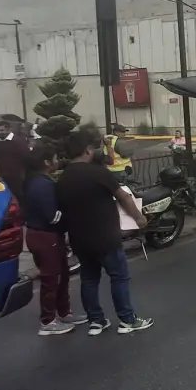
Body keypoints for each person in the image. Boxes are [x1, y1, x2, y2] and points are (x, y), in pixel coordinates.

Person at [56, 126, 152, 336]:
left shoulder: (63, 178)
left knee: (89, 279)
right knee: (119, 277)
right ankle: (127, 320)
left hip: (79, 239)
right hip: (105, 237)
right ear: (87, 150)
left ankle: (96, 322)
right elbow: (123, 196)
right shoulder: (97, 173)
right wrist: (138, 217)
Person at [22, 144, 84, 336]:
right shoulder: (42, 185)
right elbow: (53, 216)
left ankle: (64, 313)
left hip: (47, 235)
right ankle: (48, 322)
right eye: (55, 158)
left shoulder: (37, 180)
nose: (58, 161)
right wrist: (70, 220)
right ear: (47, 162)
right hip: (45, 236)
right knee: (52, 279)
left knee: (62, 275)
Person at [0, 119, 31, 201]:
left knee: (19, 197)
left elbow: (26, 156)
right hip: (4, 175)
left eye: (2, 130)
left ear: (9, 129)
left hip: (17, 176)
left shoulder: (18, 141)